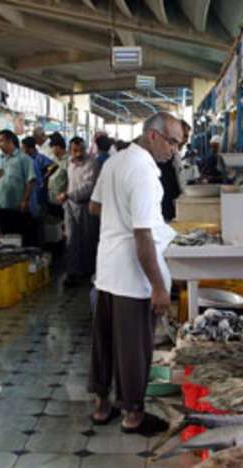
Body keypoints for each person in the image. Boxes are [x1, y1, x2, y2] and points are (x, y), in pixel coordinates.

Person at [88, 111, 181, 436]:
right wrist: (159, 287)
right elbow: (143, 237)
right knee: (134, 346)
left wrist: (119, 216)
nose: (174, 150)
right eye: (172, 142)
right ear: (153, 135)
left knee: (104, 341)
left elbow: (95, 207)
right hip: (133, 273)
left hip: (107, 267)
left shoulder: (115, 161)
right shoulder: (143, 171)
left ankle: (101, 407)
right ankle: (133, 415)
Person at [57, 137, 100, 286]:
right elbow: (68, 182)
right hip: (70, 205)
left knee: (88, 240)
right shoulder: (69, 163)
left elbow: (88, 187)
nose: (78, 153)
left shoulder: (91, 164)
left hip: (86, 206)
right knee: (71, 239)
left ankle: (89, 272)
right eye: (75, 150)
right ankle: (73, 272)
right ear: (70, 151)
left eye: (81, 149)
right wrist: (64, 192)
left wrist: (69, 194)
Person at [0, 129, 36, 245]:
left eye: (1, 141)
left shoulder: (24, 159)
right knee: (6, 238)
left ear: (10, 141)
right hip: (2, 205)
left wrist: (25, 200)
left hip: (18, 207)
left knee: (21, 238)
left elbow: (30, 180)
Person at [22, 136, 53, 246]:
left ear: (30, 148)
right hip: (32, 195)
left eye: (24, 148)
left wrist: (45, 177)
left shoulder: (39, 158)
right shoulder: (26, 159)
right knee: (33, 222)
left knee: (39, 222)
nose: (22, 150)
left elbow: (53, 166)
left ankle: (41, 245)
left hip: (40, 193)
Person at [157, 120, 191, 221]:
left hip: (171, 200)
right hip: (165, 202)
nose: (186, 140)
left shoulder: (173, 151)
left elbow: (177, 173)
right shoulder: (163, 151)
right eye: (185, 135)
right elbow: (166, 178)